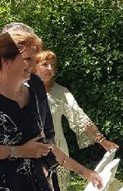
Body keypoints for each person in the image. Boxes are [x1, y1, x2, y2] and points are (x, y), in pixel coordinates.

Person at [0, 24, 102, 190]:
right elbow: (27, 149)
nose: (34, 66)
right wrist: (18, 151)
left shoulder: (32, 94)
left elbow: (45, 145)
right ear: (5, 61)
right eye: (27, 59)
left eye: (34, 59)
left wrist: (85, 172)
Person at [34, 49, 119, 191]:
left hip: (57, 150)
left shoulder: (61, 92)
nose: (50, 68)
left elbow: (79, 117)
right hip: (29, 151)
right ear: (33, 66)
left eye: (53, 65)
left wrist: (101, 140)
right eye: (45, 64)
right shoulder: (24, 90)